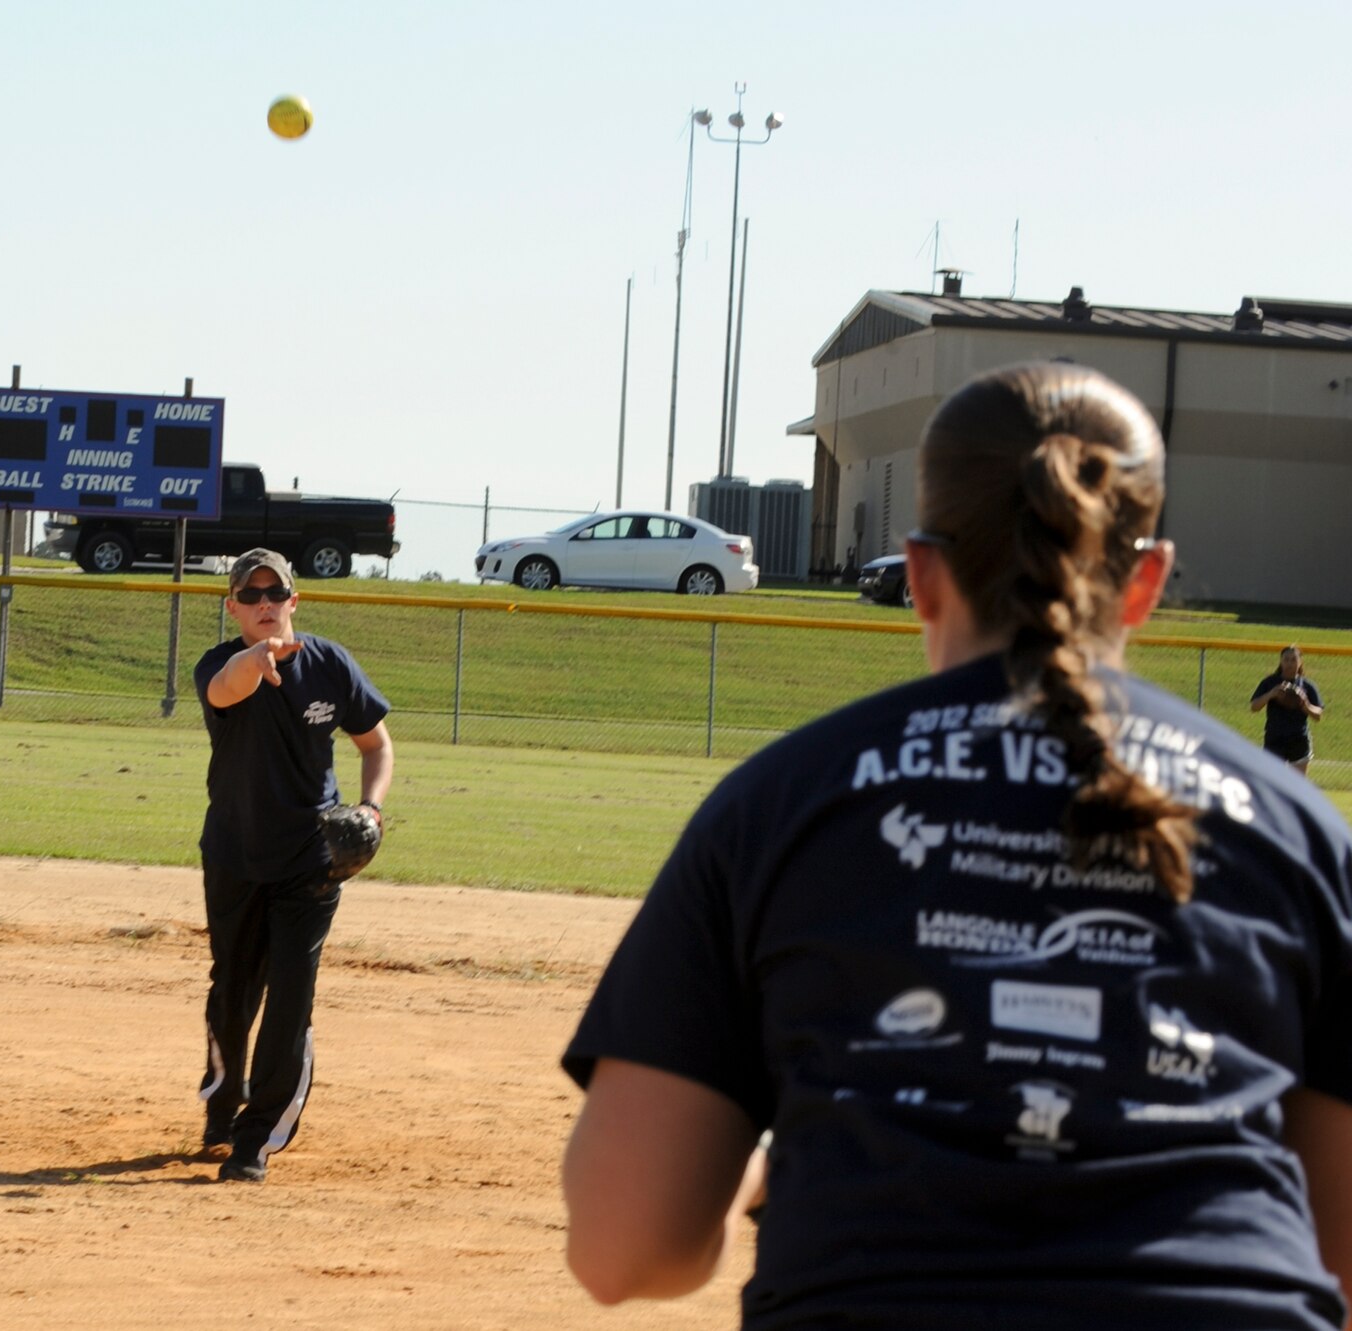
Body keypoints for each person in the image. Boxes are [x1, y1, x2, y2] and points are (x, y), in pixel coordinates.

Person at [561, 362, 1352, 1329]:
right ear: (1145, 581)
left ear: (922, 575)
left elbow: (624, 1245)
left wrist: (776, 1157)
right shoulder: (1298, 830)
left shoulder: (777, 804)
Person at [192, 548, 393, 1183]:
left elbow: (376, 743)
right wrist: (255, 660)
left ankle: (257, 1136)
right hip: (234, 853)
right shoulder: (219, 665)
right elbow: (229, 690)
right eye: (248, 596)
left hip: (311, 859)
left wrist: (373, 809)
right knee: (232, 991)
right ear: (232, 608)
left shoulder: (330, 666)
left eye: (273, 592)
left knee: (291, 998)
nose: (262, 604)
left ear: (293, 600)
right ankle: (225, 1095)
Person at [1253, 645, 1324, 775]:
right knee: (1272, 781)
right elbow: (1254, 707)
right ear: (1281, 661)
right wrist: (1271, 694)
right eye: (1286, 659)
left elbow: (1318, 715)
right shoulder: (1270, 682)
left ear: (1300, 662)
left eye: (1293, 660)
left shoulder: (1307, 685)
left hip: (1298, 739)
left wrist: (1305, 704)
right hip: (1274, 738)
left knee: (1297, 784)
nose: (1290, 663)